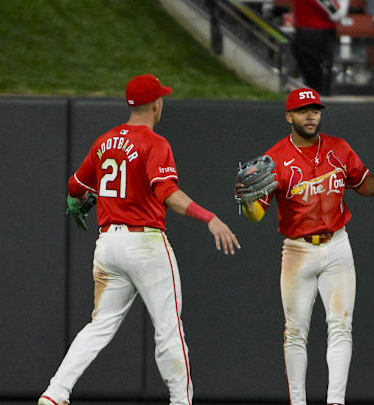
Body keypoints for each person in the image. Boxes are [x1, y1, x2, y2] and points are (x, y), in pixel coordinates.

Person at [38, 74, 240, 405]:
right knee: (169, 329)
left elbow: (75, 186)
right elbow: (169, 195)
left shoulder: (104, 141)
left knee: (99, 326)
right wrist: (209, 217)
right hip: (144, 244)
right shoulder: (155, 143)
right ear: (156, 104)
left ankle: (55, 393)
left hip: (108, 246)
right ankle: (180, 401)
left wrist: (81, 199)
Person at [235, 87, 374, 405]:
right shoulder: (274, 159)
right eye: (303, 110)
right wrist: (246, 203)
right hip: (298, 250)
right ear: (289, 116)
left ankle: (335, 401)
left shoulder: (338, 149)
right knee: (296, 331)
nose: (311, 115)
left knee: (341, 326)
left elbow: (364, 184)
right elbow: (256, 214)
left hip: (337, 245)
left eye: (315, 109)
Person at [291, 0, 349, 95]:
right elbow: (336, 13)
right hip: (317, 33)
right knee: (317, 78)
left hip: (306, 31)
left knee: (311, 77)